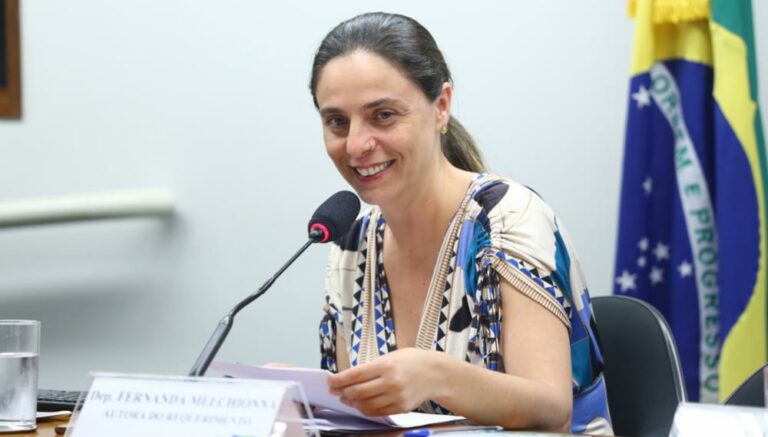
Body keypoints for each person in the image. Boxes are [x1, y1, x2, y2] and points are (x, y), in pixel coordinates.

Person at [311, 12, 612, 435]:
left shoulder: (505, 219)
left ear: (441, 106)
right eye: (337, 122)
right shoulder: (351, 245)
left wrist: (436, 375)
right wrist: (304, 395)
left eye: (383, 115)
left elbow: (551, 410)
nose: (357, 144)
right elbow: (361, 423)